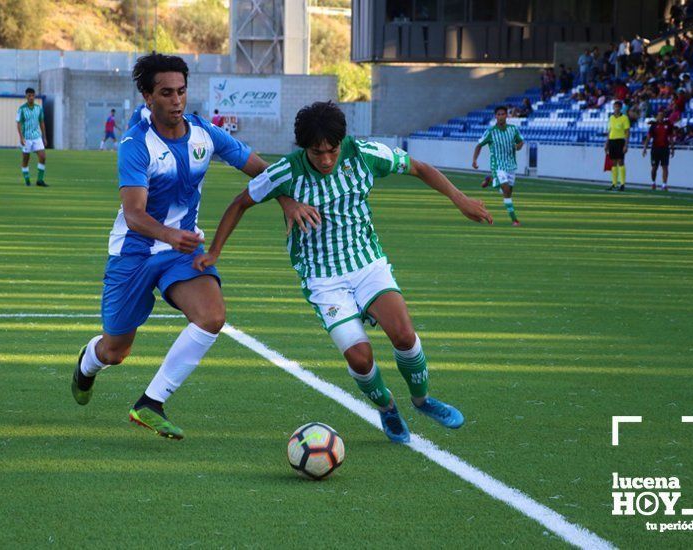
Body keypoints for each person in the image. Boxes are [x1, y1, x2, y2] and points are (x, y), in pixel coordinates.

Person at [193, 101, 492, 444]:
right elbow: (240, 203)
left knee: (404, 336)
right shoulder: (285, 172)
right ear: (303, 147)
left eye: (331, 150)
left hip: (367, 264)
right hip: (323, 280)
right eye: (316, 152)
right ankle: (388, 408)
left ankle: (423, 400)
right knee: (360, 359)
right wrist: (215, 251)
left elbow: (420, 168)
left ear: (341, 143)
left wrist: (460, 199)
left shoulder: (365, 154)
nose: (325, 159)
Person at [70, 54, 317, 440]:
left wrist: (287, 200)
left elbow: (260, 169)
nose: (177, 101)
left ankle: (150, 403)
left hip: (181, 253)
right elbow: (134, 214)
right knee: (116, 351)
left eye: (181, 91)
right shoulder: (136, 145)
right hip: (134, 253)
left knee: (211, 315)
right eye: (166, 93)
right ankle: (87, 363)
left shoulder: (205, 133)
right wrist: (169, 235)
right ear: (147, 96)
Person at [473, 106, 525, 226]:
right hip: (498, 166)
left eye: (503, 114)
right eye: (498, 114)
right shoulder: (491, 132)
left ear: (507, 116)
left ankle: (490, 180)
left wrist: (518, 146)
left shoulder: (513, 129)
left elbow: (521, 141)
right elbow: (479, 145)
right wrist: (474, 160)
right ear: (495, 116)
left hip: (511, 166)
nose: (500, 116)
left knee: (508, 193)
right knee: (506, 191)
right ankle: (514, 220)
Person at [16, 88, 48, 187]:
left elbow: (42, 122)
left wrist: (44, 137)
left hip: (37, 137)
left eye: (33, 95)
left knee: (43, 157)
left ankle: (40, 180)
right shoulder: (22, 109)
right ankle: (27, 180)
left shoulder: (39, 108)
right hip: (27, 138)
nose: (31, 97)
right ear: (26, 96)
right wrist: (21, 138)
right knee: (26, 159)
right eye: (29, 95)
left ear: (34, 96)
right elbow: (19, 124)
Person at [642, 110, 675, 191]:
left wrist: (672, 148)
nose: (660, 117)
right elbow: (648, 138)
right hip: (655, 149)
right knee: (654, 168)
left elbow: (671, 138)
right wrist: (645, 148)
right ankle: (653, 183)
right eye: (659, 115)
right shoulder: (653, 126)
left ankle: (664, 185)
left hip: (665, 149)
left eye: (662, 115)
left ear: (664, 117)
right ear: (657, 117)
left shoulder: (668, 126)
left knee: (665, 167)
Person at [606, 100, 630, 191]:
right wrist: (606, 143)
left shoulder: (624, 118)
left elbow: (627, 132)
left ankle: (622, 184)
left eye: (617, 107)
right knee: (613, 162)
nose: (615, 108)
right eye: (614, 106)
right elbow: (609, 131)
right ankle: (614, 183)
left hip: (620, 141)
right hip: (612, 141)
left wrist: (626, 145)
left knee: (621, 161)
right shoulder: (611, 117)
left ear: (620, 108)